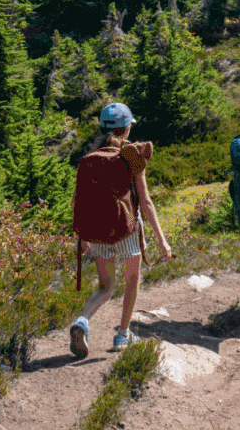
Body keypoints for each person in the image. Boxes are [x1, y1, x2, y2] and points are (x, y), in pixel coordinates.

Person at [68, 103, 172, 359]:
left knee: (106, 286)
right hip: (127, 230)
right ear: (126, 129)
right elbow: (145, 202)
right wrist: (162, 240)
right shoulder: (132, 155)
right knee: (132, 281)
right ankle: (122, 335)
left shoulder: (89, 160)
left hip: (99, 233)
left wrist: (80, 237)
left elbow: (78, 201)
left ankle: (82, 320)